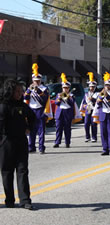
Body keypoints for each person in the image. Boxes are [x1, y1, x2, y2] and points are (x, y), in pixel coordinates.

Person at [0, 79, 36, 209]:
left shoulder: (22, 105)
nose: (20, 93)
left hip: (21, 141)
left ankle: (25, 200)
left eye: (21, 91)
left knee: (22, 170)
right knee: (7, 172)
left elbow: (32, 117)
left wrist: (28, 127)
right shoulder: (4, 106)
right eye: (17, 91)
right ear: (10, 91)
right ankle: (9, 200)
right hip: (6, 142)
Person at [24, 63, 52, 154]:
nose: (36, 82)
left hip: (40, 110)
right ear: (32, 80)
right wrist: (29, 90)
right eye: (35, 80)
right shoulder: (30, 88)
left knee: (41, 131)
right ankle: (31, 147)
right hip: (31, 110)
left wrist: (37, 90)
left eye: (38, 80)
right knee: (31, 130)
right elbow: (25, 98)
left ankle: (41, 147)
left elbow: (44, 99)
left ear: (40, 80)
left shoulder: (44, 89)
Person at [93, 72, 110, 155]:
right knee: (103, 133)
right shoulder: (100, 93)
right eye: (106, 85)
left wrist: (107, 96)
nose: (107, 87)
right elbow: (98, 104)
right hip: (102, 115)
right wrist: (101, 97)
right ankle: (105, 149)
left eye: (108, 85)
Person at [53, 73, 81, 148]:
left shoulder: (72, 95)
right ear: (62, 88)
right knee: (58, 128)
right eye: (64, 88)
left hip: (67, 113)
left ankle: (67, 142)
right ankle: (57, 142)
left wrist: (67, 98)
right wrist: (60, 98)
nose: (65, 89)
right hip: (60, 112)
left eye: (67, 88)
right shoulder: (59, 94)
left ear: (69, 88)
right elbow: (56, 103)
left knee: (67, 128)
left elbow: (72, 103)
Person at [80, 72, 98, 142]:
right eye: (90, 87)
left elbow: (99, 101)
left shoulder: (97, 93)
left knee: (93, 124)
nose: (91, 88)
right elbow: (83, 102)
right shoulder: (86, 94)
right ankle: (87, 137)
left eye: (93, 87)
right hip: (88, 108)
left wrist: (93, 100)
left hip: (94, 109)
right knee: (86, 123)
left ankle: (94, 137)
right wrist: (85, 106)